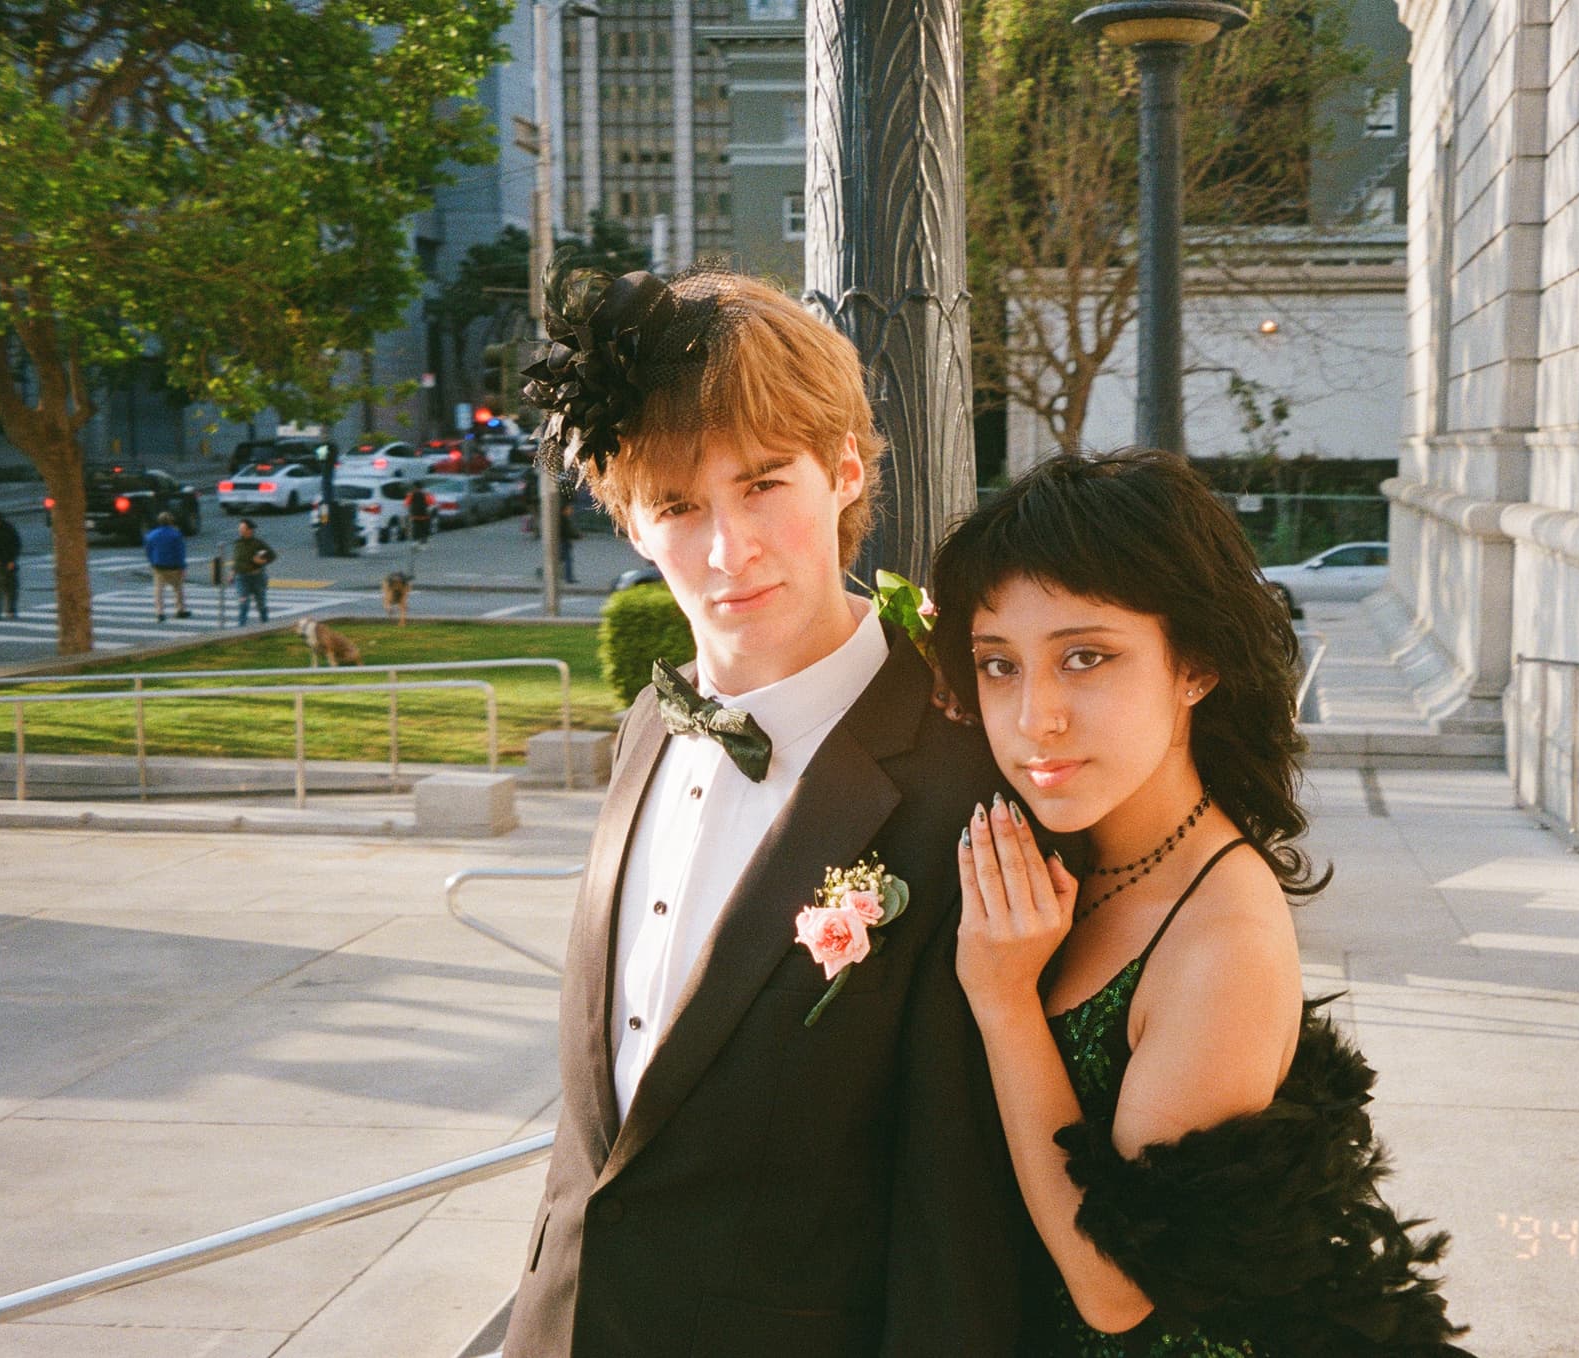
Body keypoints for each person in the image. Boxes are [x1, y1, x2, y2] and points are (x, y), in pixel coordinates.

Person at [499, 265, 1028, 1357]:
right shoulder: (647, 726)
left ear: (844, 469)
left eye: (762, 484)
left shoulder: (959, 781)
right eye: (677, 505)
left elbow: (956, 1219)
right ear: (632, 524)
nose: (726, 550)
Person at [932, 451, 1474, 1357]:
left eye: (1085, 658)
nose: (1034, 717)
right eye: (999, 665)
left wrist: (1003, 1000)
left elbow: (1117, 1289)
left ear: (1197, 663)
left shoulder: (1222, 935)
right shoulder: (1077, 849)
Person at [144, 511, 191, 622]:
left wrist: (152, 562)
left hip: (158, 566)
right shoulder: (176, 534)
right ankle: (180, 610)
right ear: (170, 521)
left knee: (158, 590)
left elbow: (148, 551)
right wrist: (183, 566)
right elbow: (180, 552)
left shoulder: (151, 535)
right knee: (178, 588)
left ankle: (160, 612)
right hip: (174, 566)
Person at [231, 518, 276, 625]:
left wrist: (262, 561)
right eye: (240, 528)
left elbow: (272, 555)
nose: (240, 530)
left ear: (250, 530)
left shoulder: (258, 544)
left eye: (243, 528)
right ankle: (241, 628)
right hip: (242, 578)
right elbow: (237, 561)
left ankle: (266, 625)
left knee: (261, 604)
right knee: (243, 603)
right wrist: (232, 574)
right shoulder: (238, 544)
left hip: (257, 578)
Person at [557, 497, 580, 583]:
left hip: (562, 541)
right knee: (568, 560)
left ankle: (562, 576)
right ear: (564, 510)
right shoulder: (563, 519)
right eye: (569, 509)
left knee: (562, 559)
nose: (571, 511)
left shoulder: (562, 518)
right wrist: (576, 536)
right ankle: (568, 577)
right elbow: (566, 532)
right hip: (563, 541)